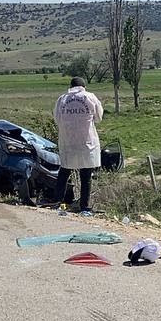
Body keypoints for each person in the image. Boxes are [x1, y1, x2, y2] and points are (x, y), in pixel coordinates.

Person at [53, 76, 104, 216]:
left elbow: (57, 119)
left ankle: (58, 203)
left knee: (64, 172)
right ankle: (84, 207)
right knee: (86, 175)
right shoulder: (90, 97)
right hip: (86, 142)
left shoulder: (62, 99)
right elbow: (99, 117)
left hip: (67, 142)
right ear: (84, 87)